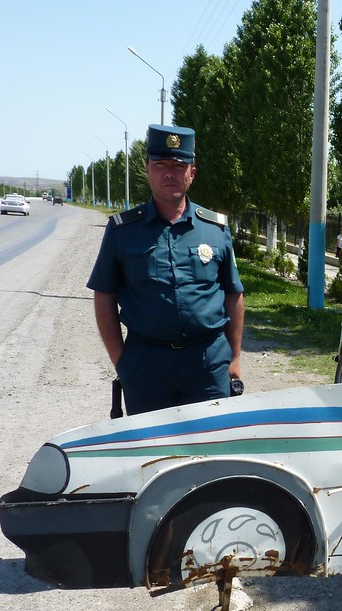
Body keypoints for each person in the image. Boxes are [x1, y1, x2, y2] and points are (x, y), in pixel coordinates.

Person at [87, 124, 245, 416]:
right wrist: (121, 360)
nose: (169, 173)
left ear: (192, 173)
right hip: (146, 364)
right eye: (160, 165)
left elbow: (233, 293)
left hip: (207, 363)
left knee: (211, 448)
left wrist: (234, 357)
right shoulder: (122, 230)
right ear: (147, 170)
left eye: (178, 165)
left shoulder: (215, 229)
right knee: (151, 453)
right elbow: (104, 295)